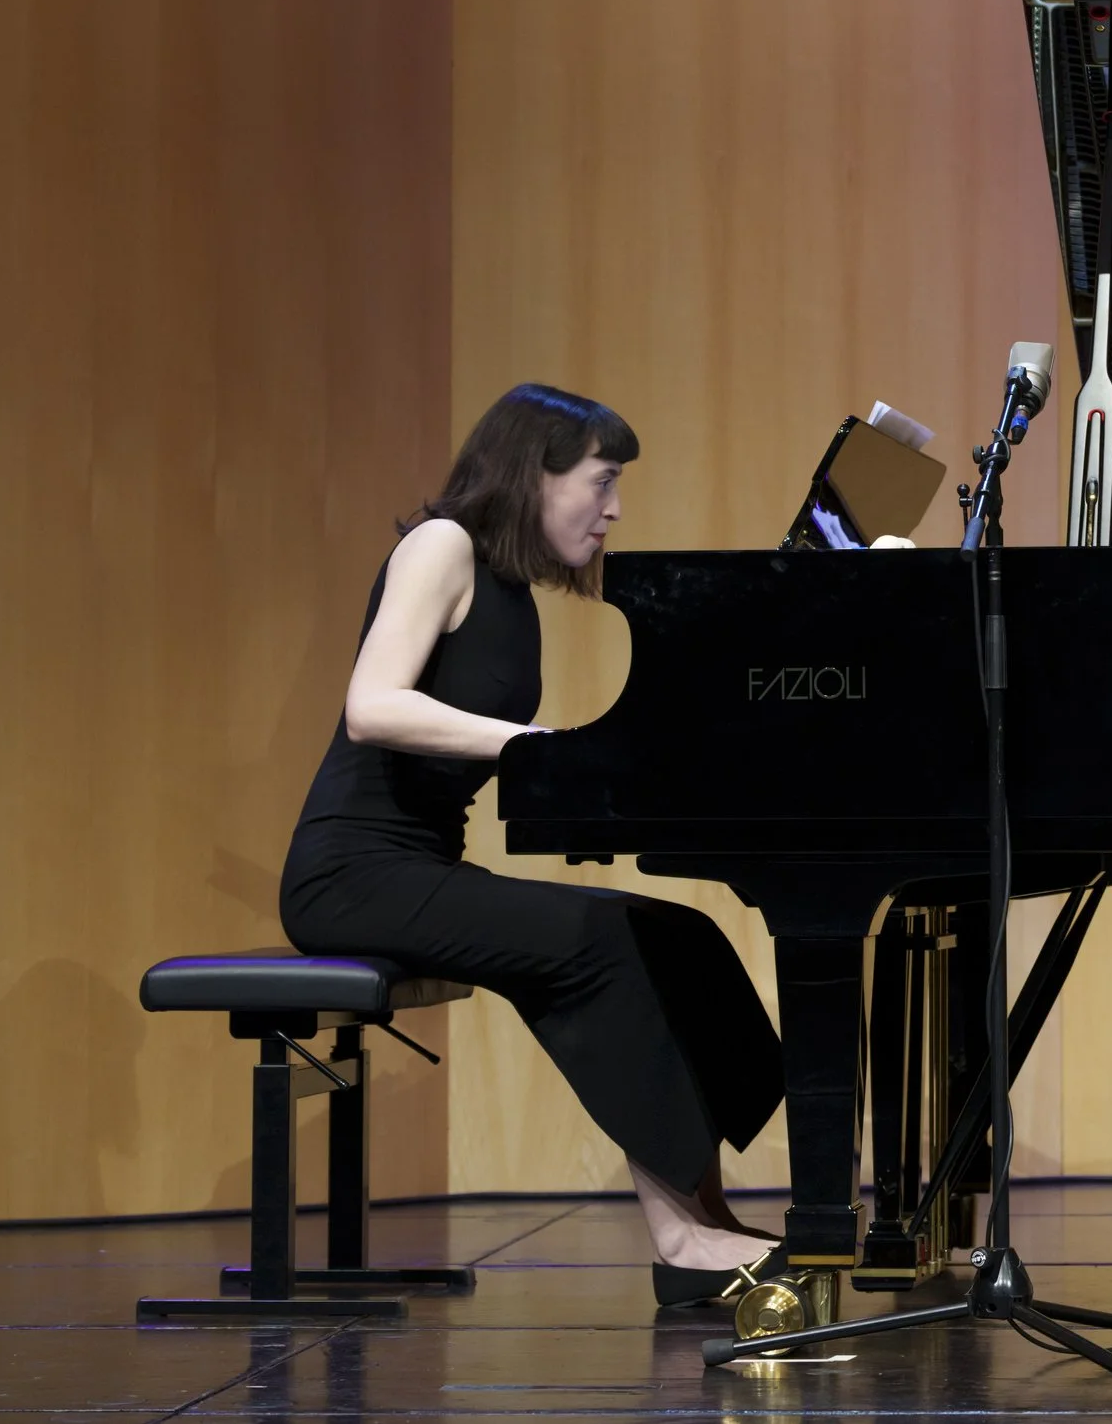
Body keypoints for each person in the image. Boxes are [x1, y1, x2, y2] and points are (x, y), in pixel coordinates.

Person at [280, 382, 789, 1308]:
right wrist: (543, 743)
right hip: (351, 876)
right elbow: (372, 706)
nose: (615, 509)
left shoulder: (511, 588)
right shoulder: (442, 547)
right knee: (600, 948)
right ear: (535, 473)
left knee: (675, 932)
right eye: (600, 482)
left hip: (418, 866)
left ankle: (708, 1211)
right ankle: (676, 1238)